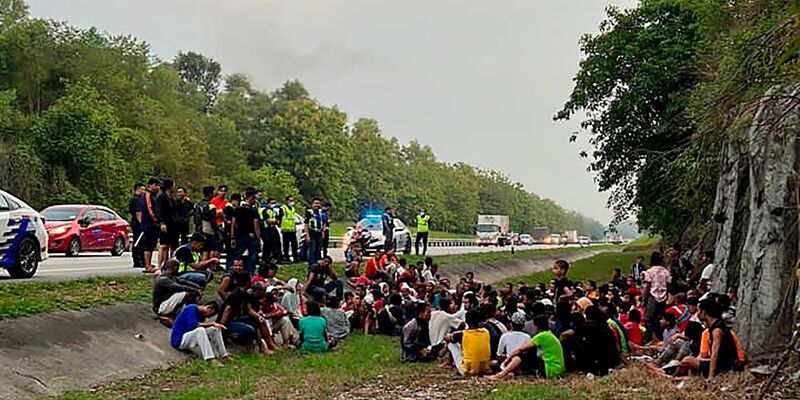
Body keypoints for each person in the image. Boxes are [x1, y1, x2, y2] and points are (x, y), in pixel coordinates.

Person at [488, 315, 564, 381]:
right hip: (557, 369)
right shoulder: (549, 335)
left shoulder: (541, 336)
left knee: (522, 355)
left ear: (536, 326)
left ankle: (501, 374)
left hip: (549, 369)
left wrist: (508, 358)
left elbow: (520, 349)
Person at [679, 300, 740, 378]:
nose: (697, 313)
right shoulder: (712, 327)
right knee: (689, 360)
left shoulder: (717, 330)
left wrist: (711, 377)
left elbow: (715, 354)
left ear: (704, 312)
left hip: (726, 364)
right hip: (720, 361)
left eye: (699, 311)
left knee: (687, 361)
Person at [445, 308, 492, 377]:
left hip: (468, 370)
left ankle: (449, 363)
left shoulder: (463, 334)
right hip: (484, 369)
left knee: (451, 344)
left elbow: (447, 338)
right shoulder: (486, 332)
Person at [231, 188, 262, 275]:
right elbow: (256, 225)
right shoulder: (253, 211)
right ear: (251, 198)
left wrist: (232, 237)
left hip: (240, 235)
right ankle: (250, 273)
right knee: (252, 256)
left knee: (238, 254)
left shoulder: (237, 210)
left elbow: (233, 224)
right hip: (251, 236)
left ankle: (235, 271)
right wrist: (259, 238)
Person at [642, 251, 670, 341]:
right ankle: (661, 336)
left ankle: (655, 338)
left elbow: (647, 285)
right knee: (659, 318)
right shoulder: (665, 271)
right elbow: (668, 283)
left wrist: (644, 297)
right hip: (663, 296)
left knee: (648, 319)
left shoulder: (649, 272)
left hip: (652, 296)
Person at [137, 177, 160, 273]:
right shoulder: (148, 196)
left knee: (152, 244)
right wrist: (155, 219)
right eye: (155, 185)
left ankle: (149, 264)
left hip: (151, 224)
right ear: (150, 186)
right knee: (148, 245)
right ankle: (147, 265)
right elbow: (150, 209)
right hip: (149, 224)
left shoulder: (154, 196)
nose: (157, 187)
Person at [194, 186, 219, 261]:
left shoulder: (198, 204)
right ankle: (207, 266)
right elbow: (213, 220)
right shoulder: (211, 206)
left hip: (199, 229)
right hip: (208, 230)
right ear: (210, 194)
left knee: (201, 249)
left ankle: (201, 263)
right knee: (208, 249)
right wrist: (217, 231)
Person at [156, 179, 177, 269]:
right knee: (163, 245)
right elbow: (159, 211)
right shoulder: (162, 197)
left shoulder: (171, 198)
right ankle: (159, 265)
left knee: (168, 246)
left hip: (171, 224)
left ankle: (166, 264)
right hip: (164, 223)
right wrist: (161, 222)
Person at [129, 183, 145, 269]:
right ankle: (139, 260)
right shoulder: (137, 200)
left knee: (137, 241)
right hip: (137, 224)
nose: (144, 191)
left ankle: (138, 260)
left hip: (134, 222)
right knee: (139, 242)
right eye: (142, 189)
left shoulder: (133, 199)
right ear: (137, 189)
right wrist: (142, 224)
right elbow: (138, 212)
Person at [260, 196, 282, 262]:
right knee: (267, 244)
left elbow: (278, 221)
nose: (273, 204)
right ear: (268, 203)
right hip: (266, 229)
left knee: (277, 243)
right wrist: (274, 221)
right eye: (272, 203)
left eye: (274, 203)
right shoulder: (265, 211)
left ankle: (276, 257)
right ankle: (265, 258)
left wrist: (275, 221)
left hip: (273, 228)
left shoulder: (274, 211)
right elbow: (268, 221)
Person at [305, 198, 324, 267]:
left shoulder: (321, 213)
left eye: (318, 203)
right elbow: (306, 224)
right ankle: (311, 264)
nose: (317, 205)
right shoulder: (309, 212)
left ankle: (317, 263)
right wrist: (307, 235)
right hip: (312, 234)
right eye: (315, 203)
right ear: (312, 204)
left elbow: (323, 223)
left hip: (319, 233)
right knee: (312, 250)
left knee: (318, 250)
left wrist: (323, 232)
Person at [279, 195, 299, 263]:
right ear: (286, 201)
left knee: (294, 245)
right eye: (290, 200)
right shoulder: (283, 208)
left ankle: (295, 258)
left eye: (292, 200)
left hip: (292, 229)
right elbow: (280, 218)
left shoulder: (292, 208)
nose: (292, 202)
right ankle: (287, 258)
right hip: (285, 229)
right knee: (286, 245)